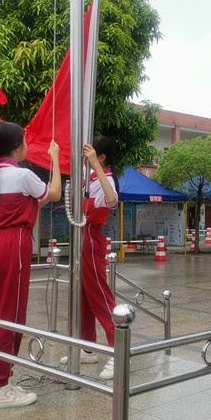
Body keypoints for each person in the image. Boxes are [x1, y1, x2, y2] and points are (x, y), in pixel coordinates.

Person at [0, 121, 61, 409]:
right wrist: (55, 158)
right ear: (16, 147)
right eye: (25, 140)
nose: (27, 144)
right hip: (12, 244)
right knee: (10, 315)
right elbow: (54, 194)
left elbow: (27, 204)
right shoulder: (23, 175)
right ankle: (1, 387)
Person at [59, 136, 119, 380]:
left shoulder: (106, 179)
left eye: (91, 156)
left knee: (99, 293)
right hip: (80, 236)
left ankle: (118, 347)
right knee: (83, 295)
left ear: (101, 157)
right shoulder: (89, 177)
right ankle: (87, 346)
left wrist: (94, 164)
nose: (85, 160)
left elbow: (112, 200)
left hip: (92, 238)